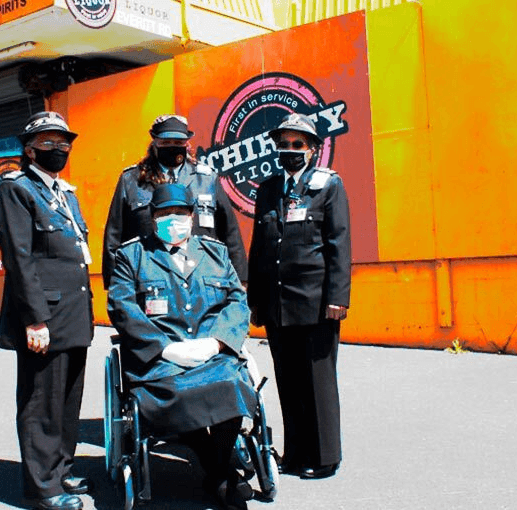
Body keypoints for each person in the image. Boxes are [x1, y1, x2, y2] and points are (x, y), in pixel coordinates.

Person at [108, 183, 257, 510]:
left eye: (180, 212)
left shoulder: (215, 253)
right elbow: (121, 306)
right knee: (178, 393)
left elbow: (237, 301)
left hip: (211, 355)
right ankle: (221, 474)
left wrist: (217, 342)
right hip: (161, 364)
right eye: (164, 213)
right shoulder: (132, 256)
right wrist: (164, 348)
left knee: (232, 384)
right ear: (152, 217)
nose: (173, 219)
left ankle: (216, 471)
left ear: (192, 216)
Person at [0, 111, 94, 510]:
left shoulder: (64, 193)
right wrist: (35, 318)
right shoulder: (16, 190)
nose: (58, 149)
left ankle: (62, 469)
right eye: (48, 142)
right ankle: (42, 487)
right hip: (45, 317)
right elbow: (20, 258)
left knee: (68, 399)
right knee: (41, 402)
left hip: (74, 312)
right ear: (29, 149)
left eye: (64, 142)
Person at [247, 113, 352, 480]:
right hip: (278, 303)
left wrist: (338, 299)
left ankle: (324, 457)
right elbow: (260, 247)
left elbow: (339, 244)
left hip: (315, 300)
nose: (290, 150)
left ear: (312, 148)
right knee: (288, 380)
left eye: (298, 144)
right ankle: (295, 453)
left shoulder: (328, 186)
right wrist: (256, 300)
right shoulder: (269, 189)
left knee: (317, 380)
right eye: (285, 144)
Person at [102, 114, 247, 289]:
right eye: (166, 142)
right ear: (155, 142)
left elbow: (230, 234)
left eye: (178, 143)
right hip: (149, 281)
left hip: (203, 281)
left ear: (187, 143)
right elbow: (114, 237)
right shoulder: (131, 180)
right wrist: (115, 288)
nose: (172, 147)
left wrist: (240, 283)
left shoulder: (207, 179)